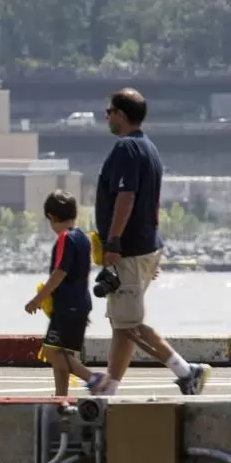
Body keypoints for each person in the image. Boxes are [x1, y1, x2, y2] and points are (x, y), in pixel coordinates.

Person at [96, 88, 210, 395]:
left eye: (109, 112)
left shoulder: (126, 149)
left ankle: (187, 371)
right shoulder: (149, 149)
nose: (106, 117)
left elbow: (126, 197)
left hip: (129, 249)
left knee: (128, 324)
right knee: (122, 322)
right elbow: (153, 202)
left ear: (120, 114)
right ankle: (111, 387)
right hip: (144, 246)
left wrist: (114, 242)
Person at [25, 190, 110, 397]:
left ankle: (93, 379)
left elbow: (59, 272)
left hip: (66, 305)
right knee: (64, 353)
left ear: (52, 217)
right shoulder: (83, 237)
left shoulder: (65, 238)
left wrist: (38, 299)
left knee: (51, 352)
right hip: (81, 302)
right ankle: (61, 397)